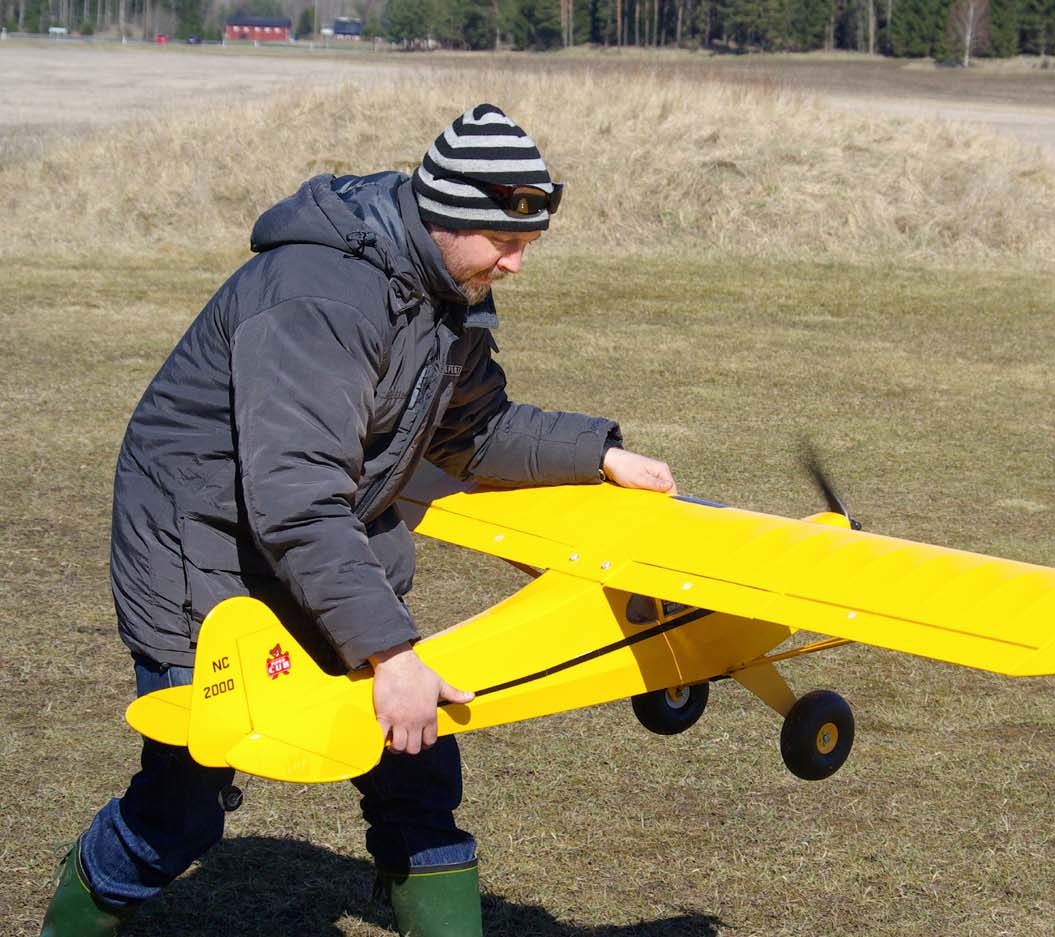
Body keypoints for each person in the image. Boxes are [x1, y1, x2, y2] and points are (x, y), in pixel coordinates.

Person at [41, 103, 676, 937]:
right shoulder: (320, 296)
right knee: (184, 802)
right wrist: (391, 652)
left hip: (313, 534)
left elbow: (473, 428)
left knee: (416, 770)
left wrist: (599, 453)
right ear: (446, 216)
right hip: (201, 554)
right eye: (504, 241)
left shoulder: (444, 290)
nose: (516, 264)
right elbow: (296, 494)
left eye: (526, 244)